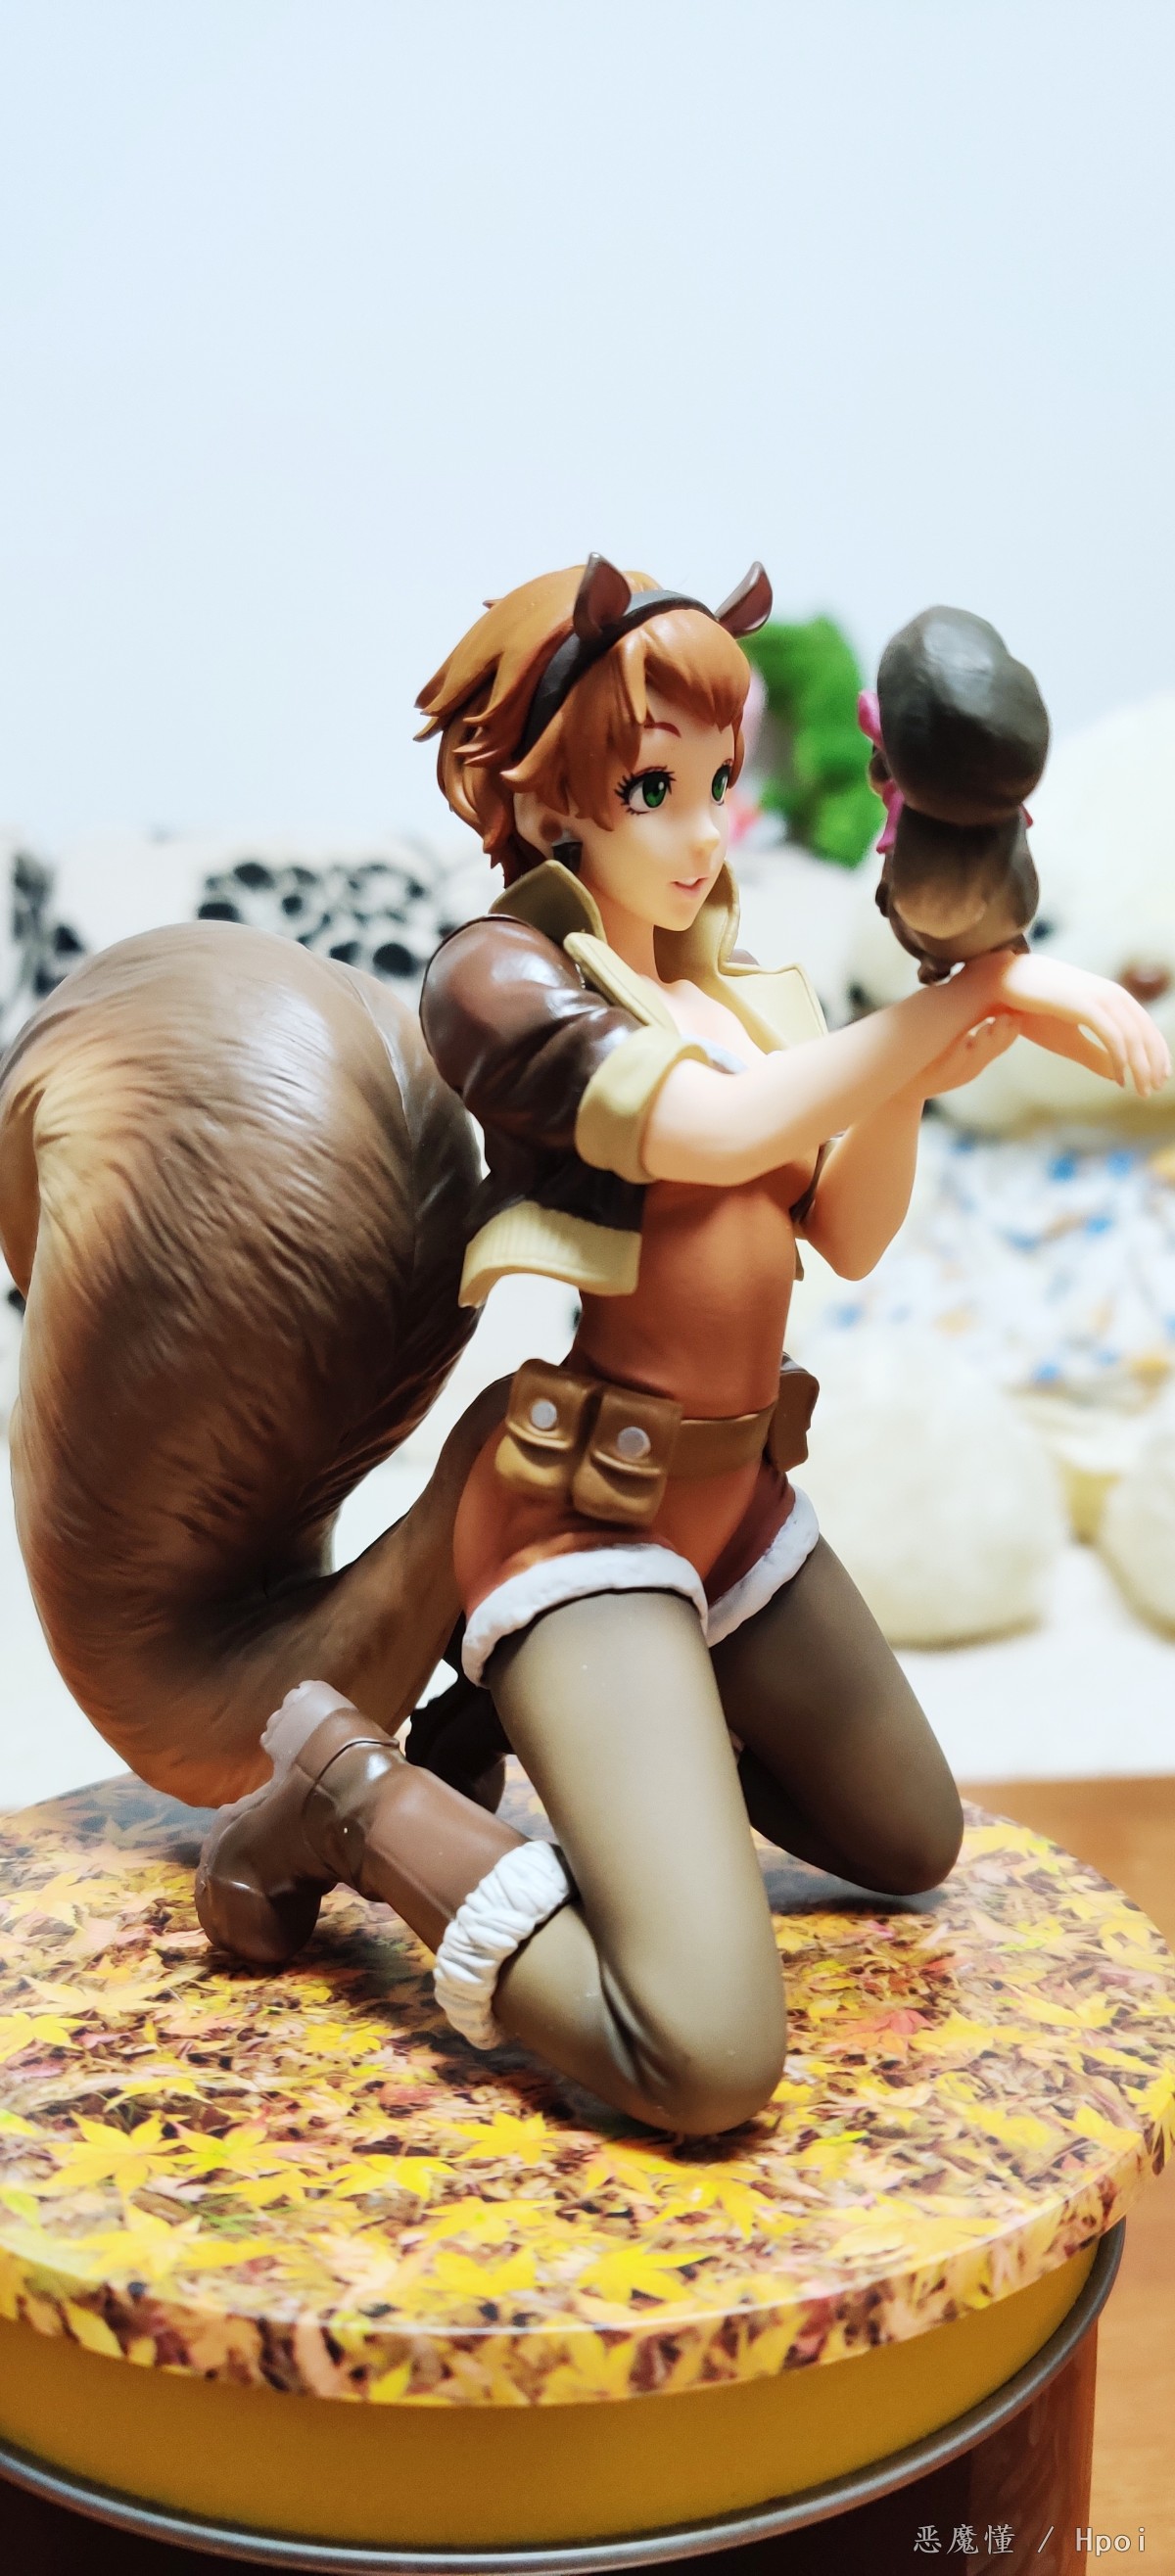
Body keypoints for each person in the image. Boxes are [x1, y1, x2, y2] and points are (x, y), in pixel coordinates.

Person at [6, 560, 1164, 2136]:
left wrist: (945, 1003)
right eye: (652, 790)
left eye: (720, 784)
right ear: (555, 800)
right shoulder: (505, 985)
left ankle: (540, 1737)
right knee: (704, 2056)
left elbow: (851, 1226)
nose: (703, 834)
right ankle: (357, 1796)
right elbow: (719, 1134)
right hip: (588, 1522)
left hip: (735, 1506)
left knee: (908, 1835)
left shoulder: (743, 990)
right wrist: (988, 997)